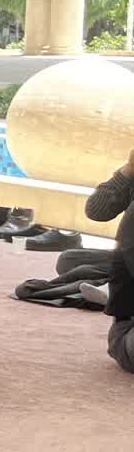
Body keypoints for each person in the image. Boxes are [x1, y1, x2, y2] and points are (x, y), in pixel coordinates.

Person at [85, 148, 134, 374]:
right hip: (128, 330)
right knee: (70, 259)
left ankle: (105, 284)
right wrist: (129, 171)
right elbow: (97, 211)